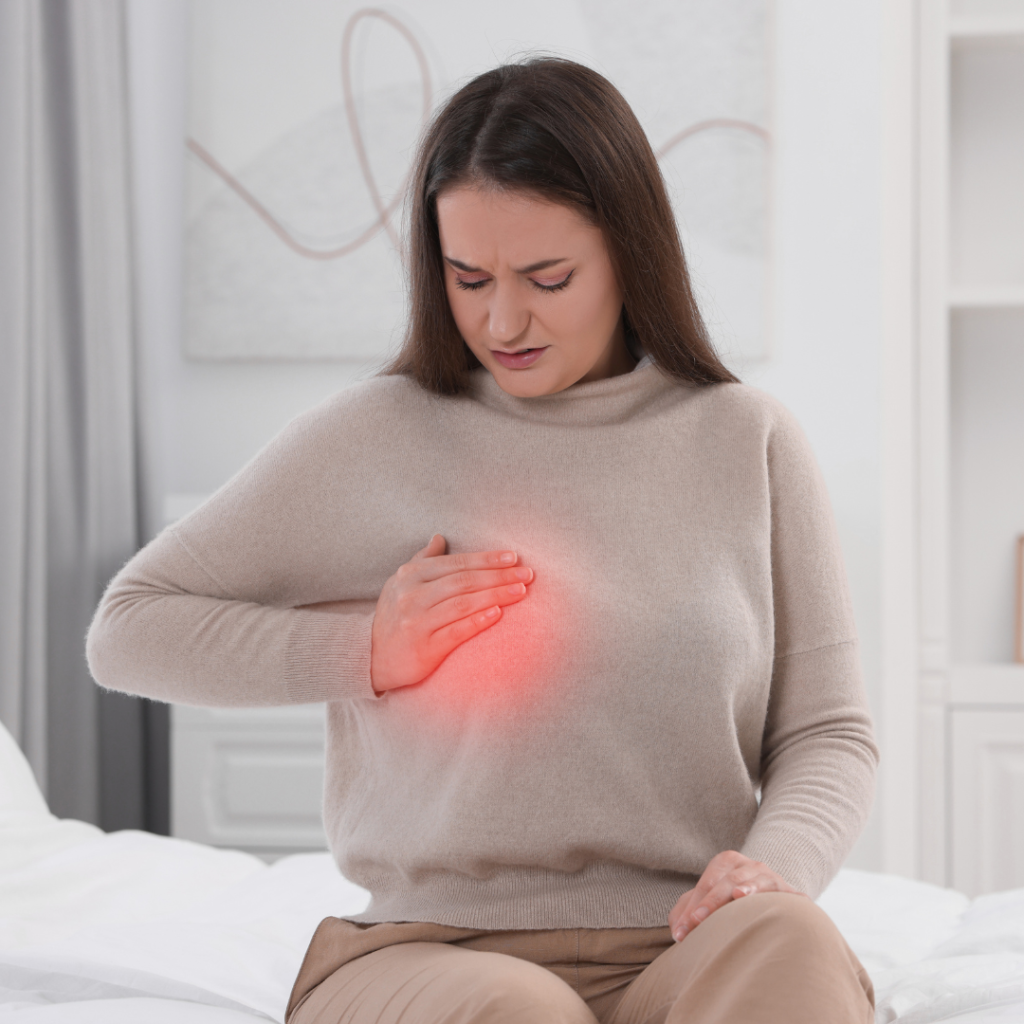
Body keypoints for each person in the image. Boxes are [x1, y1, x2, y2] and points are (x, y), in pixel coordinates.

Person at [87, 58, 879, 1024]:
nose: (503, 319)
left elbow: (828, 732)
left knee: (795, 938)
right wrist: (364, 651)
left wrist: (774, 869)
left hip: (681, 944)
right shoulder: (376, 433)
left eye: (548, 278)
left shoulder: (746, 439)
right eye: (469, 278)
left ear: (630, 250)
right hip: (434, 954)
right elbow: (128, 627)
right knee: (521, 1012)